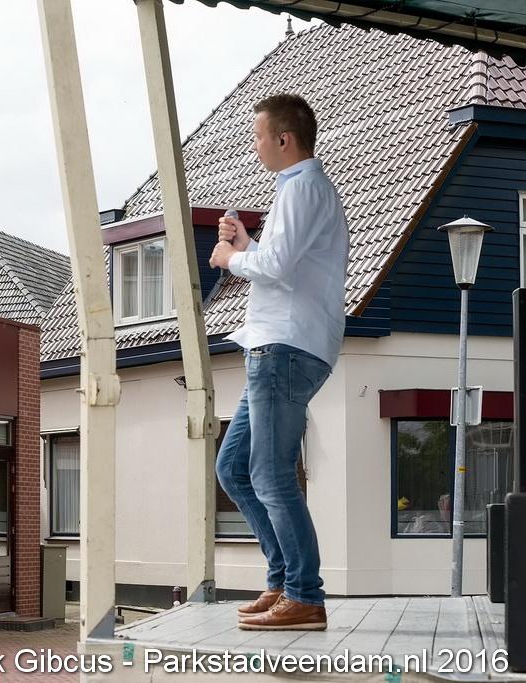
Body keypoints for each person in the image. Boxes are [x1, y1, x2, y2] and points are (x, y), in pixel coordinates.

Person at [209, 93, 349, 631]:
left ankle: (304, 595)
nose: (255, 145)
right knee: (233, 468)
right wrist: (248, 244)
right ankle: (284, 580)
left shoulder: (302, 187)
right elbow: (282, 264)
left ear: (284, 139)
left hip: (284, 348)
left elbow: (275, 266)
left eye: (258, 135)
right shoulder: (303, 190)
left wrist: (231, 257)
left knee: (269, 474)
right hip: (281, 346)